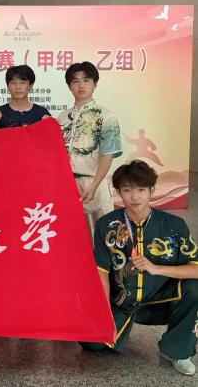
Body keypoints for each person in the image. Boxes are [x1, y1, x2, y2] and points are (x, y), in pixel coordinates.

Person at [82, 160, 198, 376]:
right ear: (119, 192)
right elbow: (101, 272)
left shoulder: (174, 225)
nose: (134, 196)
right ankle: (121, 324)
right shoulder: (106, 225)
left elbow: (195, 268)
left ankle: (178, 350)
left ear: (151, 190)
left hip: (163, 301)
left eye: (141, 190)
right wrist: (104, 315)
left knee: (194, 287)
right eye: (127, 190)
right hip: (122, 301)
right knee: (92, 344)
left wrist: (157, 268)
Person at [57, 61, 122, 236]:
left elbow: (107, 154)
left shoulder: (106, 116)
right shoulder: (62, 117)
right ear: (69, 86)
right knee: (73, 236)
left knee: (103, 235)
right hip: (68, 185)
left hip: (94, 183)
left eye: (86, 80)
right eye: (75, 81)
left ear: (95, 84)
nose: (81, 85)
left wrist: (94, 185)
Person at [0, 65, 50, 129]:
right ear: (8, 86)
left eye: (23, 83)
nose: (18, 87)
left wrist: (49, 125)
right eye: (13, 83)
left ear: (30, 86)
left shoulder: (42, 113)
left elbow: (51, 135)